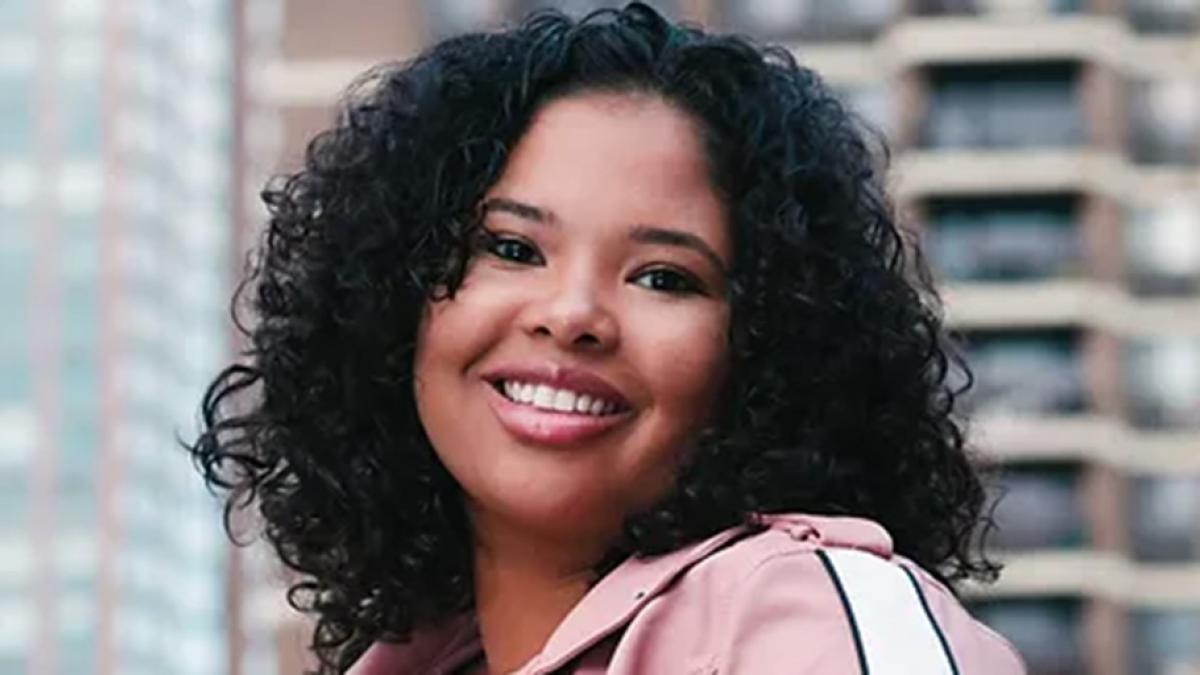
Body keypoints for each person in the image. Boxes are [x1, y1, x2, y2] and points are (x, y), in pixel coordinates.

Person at [189, 4, 1026, 674]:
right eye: (512, 249)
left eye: (665, 276)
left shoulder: (810, 617)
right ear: (391, 305)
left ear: (769, 349)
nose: (573, 313)